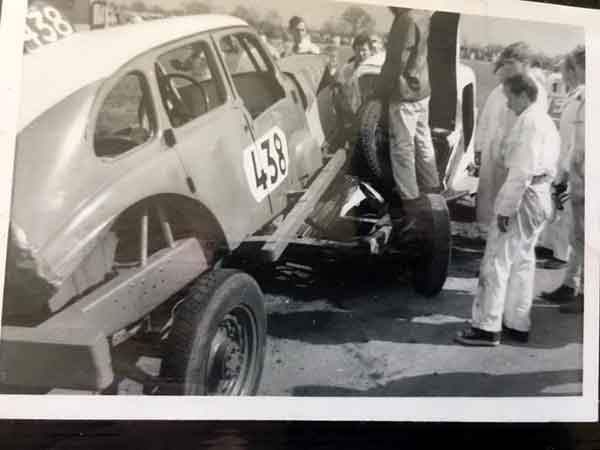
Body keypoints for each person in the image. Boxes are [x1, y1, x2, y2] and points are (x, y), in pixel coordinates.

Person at [456, 74, 560, 346]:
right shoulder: (544, 120)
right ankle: (517, 322)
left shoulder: (529, 123)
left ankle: (486, 327)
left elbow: (521, 172)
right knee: (522, 260)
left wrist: (505, 209)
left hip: (523, 196)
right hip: (539, 194)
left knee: (496, 260)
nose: (508, 104)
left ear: (524, 95)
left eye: (510, 97)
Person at [475, 42, 549, 234]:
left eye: (511, 63)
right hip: (492, 149)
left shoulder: (534, 90)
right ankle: (486, 229)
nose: (506, 68)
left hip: (515, 151)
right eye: (505, 63)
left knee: (509, 192)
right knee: (488, 190)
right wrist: (479, 146)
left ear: (524, 64)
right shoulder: (499, 89)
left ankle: (503, 230)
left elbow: (533, 125)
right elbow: (486, 118)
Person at [374, 7, 440, 217]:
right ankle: (432, 186)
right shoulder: (424, 14)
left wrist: (380, 90)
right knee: (423, 139)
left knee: (402, 146)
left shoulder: (406, 19)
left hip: (405, 92)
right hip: (423, 88)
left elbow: (397, 61)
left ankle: (410, 198)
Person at [542, 47, 585, 313]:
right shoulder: (580, 97)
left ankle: (586, 296)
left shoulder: (587, 98)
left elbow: (580, 147)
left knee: (588, 240)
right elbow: (573, 146)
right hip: (577, 176)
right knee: (577, 236)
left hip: (586, 178)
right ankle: (571, 285)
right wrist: (564, 178)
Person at [537, 54, 581, 266]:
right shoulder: (573, 95)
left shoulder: (582, 97)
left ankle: (561, 255)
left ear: (573, 71)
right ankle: (550, 246)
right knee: (557, 205)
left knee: (567, 209)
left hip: (573, 161)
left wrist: (566, 168)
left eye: (564, 71)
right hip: (562, 156)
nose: (561, 76)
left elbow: (577, 138)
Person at [337, 33, 372, 115]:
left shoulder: (375, 70)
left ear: (370, 51)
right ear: (354, 50)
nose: (361, 53)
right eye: (358, 50)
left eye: (364, 50)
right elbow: (340, 89)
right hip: (348, 111)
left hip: (369, 112)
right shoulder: (346, 69)